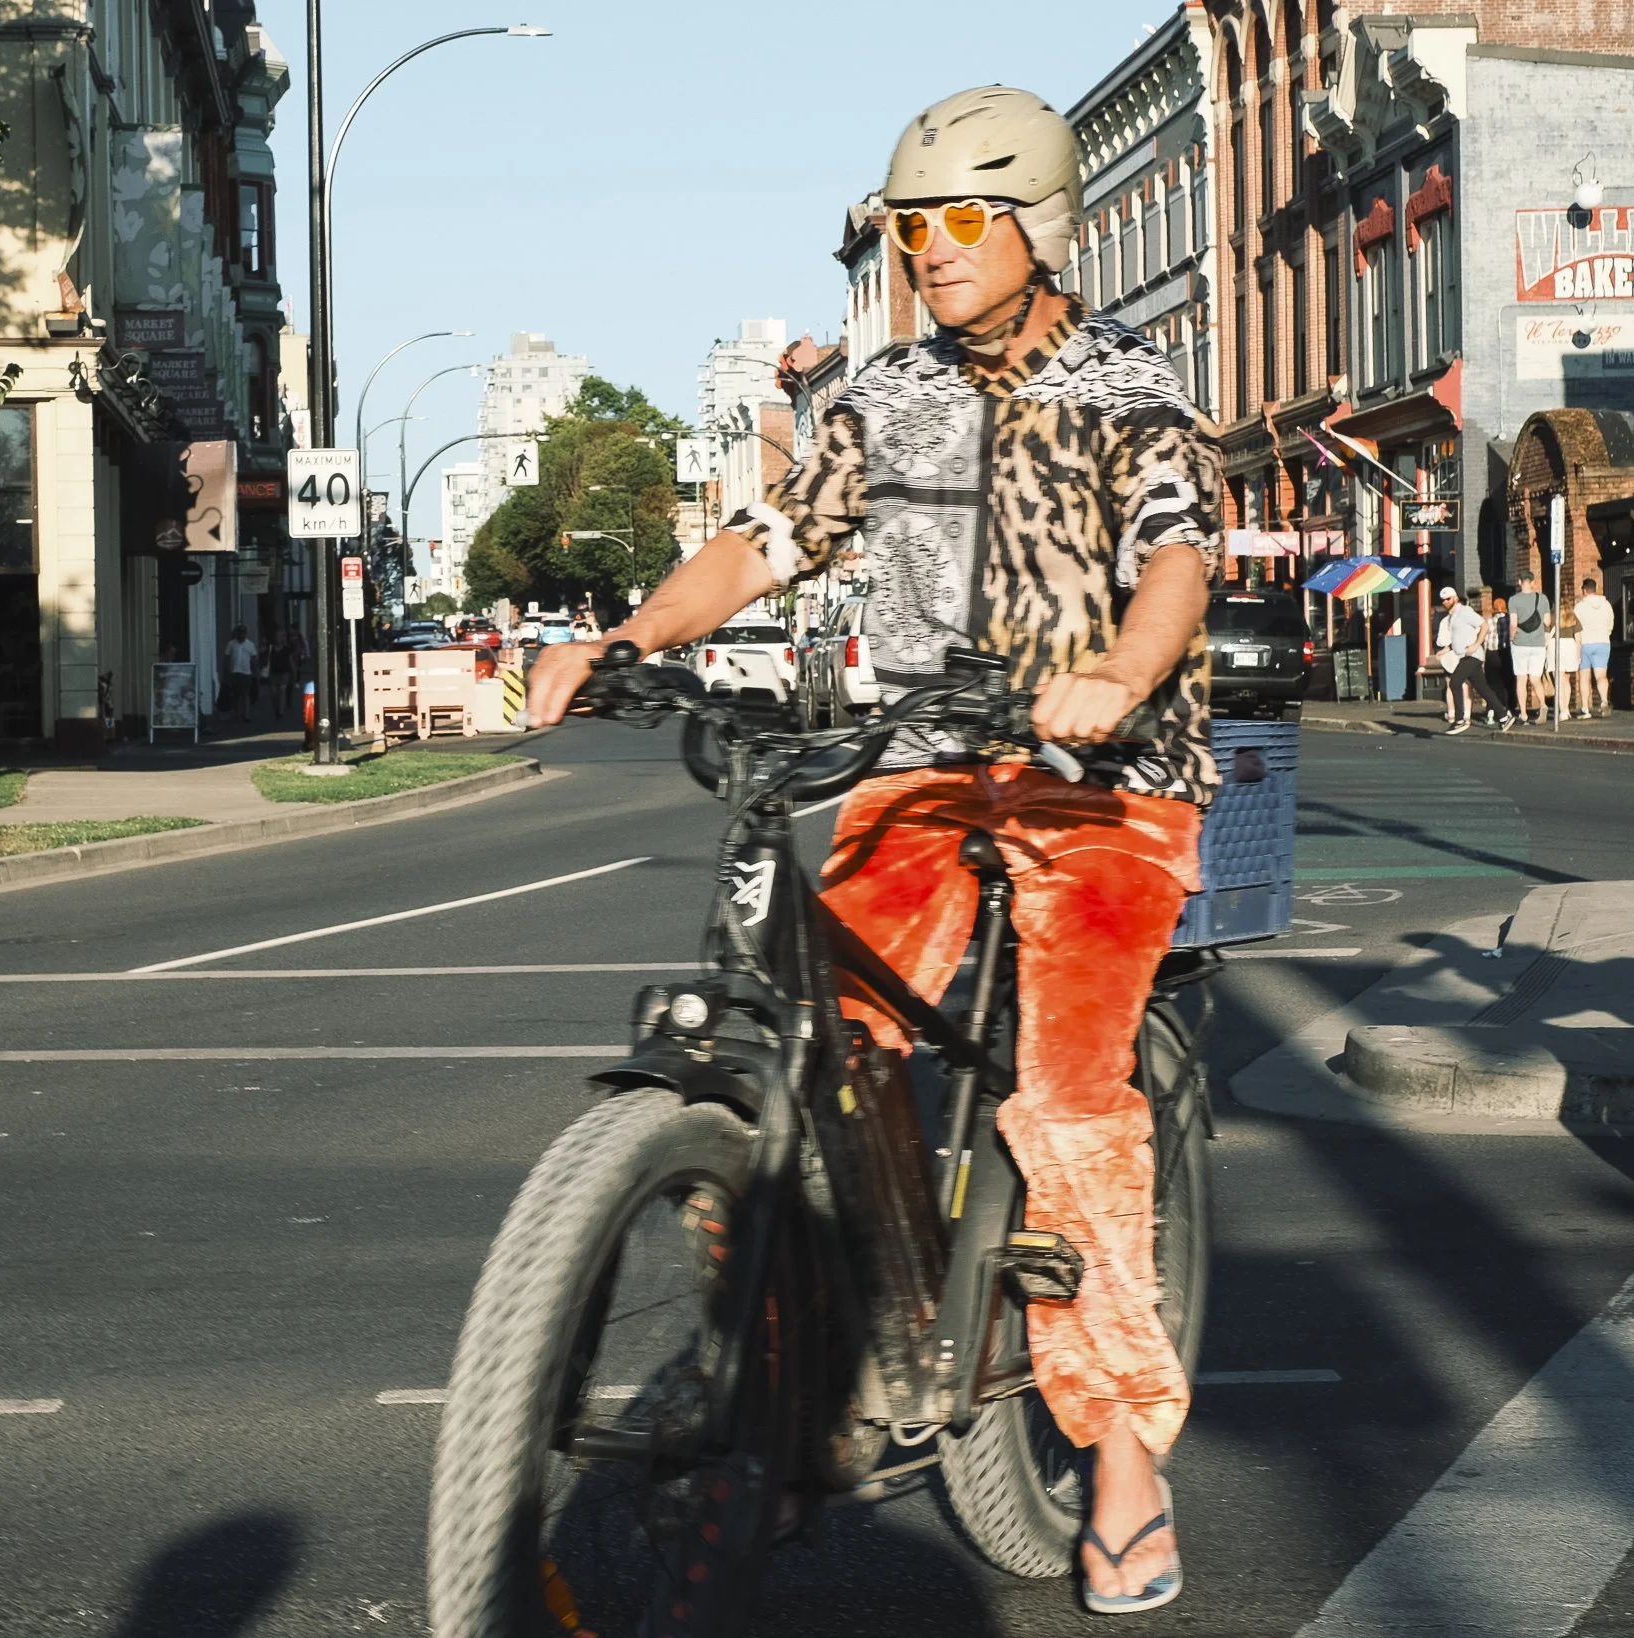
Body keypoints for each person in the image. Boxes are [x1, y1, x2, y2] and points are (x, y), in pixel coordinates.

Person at [530, 85, 1218, 1614]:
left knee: (1069, 1089)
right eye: (914, 225)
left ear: (1038, 226)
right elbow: (771, 540)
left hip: (1098, 771)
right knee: (819, 1028)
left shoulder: (1130, 388)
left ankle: (1118, 1455)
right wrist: (628, 633)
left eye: (966, 219)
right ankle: (798, 1361)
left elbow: (1175, 553)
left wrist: (1115, 676)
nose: (935, 247)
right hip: (920, 757)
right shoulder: (883, 395)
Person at [1434, 586, 1513, 734]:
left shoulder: (1464, 611)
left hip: (1472, 656)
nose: (1445, 602)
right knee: (1483, 689)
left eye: (1448, 599)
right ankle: (1503, 716)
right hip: (1464, 655)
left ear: (1455, 598)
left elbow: (1483, 625)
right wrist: (1446, 650)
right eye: (1443, 600)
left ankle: (1460, 720)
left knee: (1455, 682)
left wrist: (1476, 644)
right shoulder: (1452, 617)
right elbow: (1459, 639)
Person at [1508, 572, 1553, 724]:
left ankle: (1523, 713)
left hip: (1520, 644)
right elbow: (1547, 622)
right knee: (1535, 678)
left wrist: (1511, 638)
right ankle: (1543, 704)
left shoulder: (1513, 600)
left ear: (1520, 582)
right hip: (1538, 644)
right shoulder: (1543, 598)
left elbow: (1513, 624)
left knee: (1521, 679)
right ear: (1533, 582)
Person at [1574, 576, 1615, 718]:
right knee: (1601, 675)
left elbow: (1576, 627)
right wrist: (1605, 634)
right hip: (1603, 641)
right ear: (1595, 589)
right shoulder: (1607, 605)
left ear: (1584, 590)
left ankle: (1585, 708)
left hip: (1585, 643)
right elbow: (1611, 623)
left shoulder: (1579, 607)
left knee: (1584, 677)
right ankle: (1604, 701)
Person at [222, 623, 258, 722]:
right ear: (237, 633)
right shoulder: (231, 644)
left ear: (246, 634)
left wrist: (254, 672)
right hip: (234, 672)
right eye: (240, 632)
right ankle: (235, 714)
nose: (241, 635)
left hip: (246, 673)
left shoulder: (250, 645)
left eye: (243, 632)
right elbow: (226, 658)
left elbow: (254, 659)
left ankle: (246, 715)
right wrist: (225, 673)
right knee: (235, 695)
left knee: (245, 694)